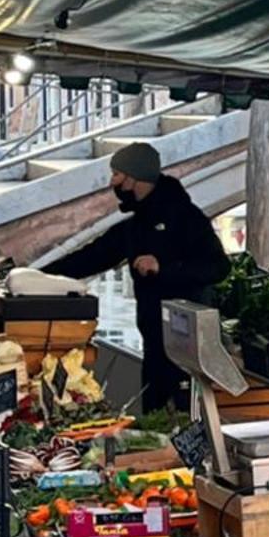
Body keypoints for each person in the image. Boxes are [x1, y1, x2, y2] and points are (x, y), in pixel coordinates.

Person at [47, 141, 229, 413]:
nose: (113, 182)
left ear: (134, 178)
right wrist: (38, 275)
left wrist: (163, 268)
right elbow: (94, 255)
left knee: (186, 410)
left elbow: (218, 267)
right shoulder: (137, 222)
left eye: (117, 174)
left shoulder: (185, 217)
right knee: (153, 408)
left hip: (186, 340)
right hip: (153, 337)